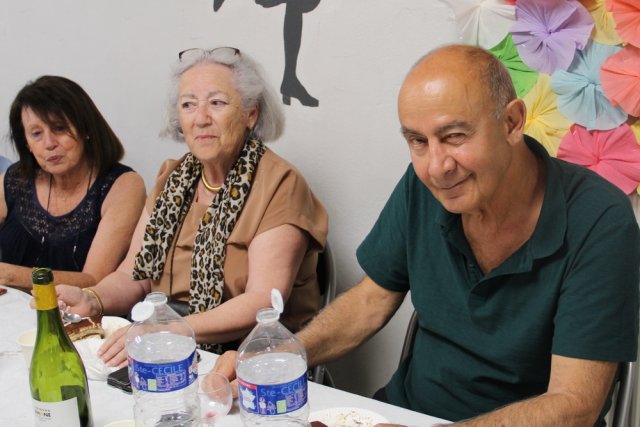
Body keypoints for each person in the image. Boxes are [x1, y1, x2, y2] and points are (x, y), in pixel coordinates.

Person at [214, 45, 639, 426]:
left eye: (454, 137)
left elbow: (575, 404)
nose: (436, 166)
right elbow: (371, 301)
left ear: (512, 122)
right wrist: (282, 356)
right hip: (406, 412)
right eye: (418, 141)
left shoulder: (599, 219)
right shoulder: (427, 187)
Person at [57, 47, 328, 365]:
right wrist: (93, 299)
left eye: (217, 103)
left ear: (250, 114)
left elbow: (262, 301)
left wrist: (168, 331)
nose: (201, 119)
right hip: (172, 345)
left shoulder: (280, 185)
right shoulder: (172, 178)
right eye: (188, 105)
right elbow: (134, 275)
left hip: (255, 359)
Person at [0, 76, 146, 290]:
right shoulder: (16, 178)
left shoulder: (123, 185)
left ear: (86, 129)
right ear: (27, 143)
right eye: (36, 134)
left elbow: (95, 280)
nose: (49, 143)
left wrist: (9, 275)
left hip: (81, 309)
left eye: (59, 128)